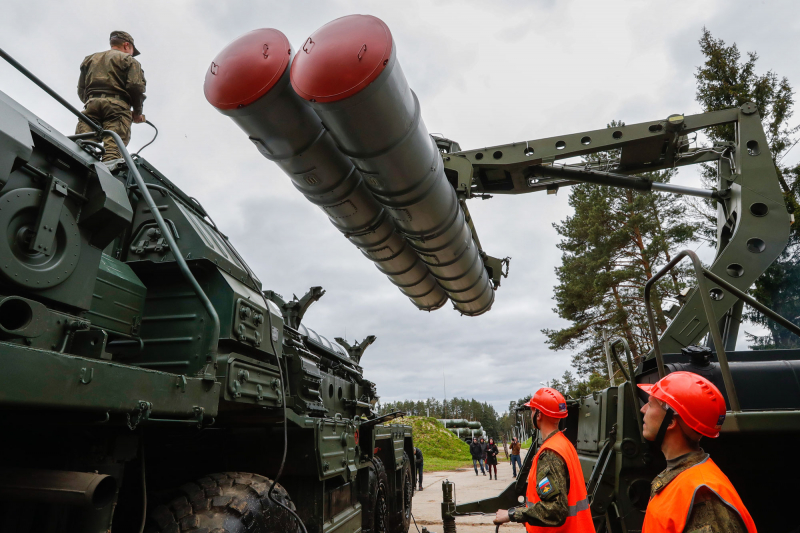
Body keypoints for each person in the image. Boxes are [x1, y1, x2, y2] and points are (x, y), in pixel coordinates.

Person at [638, 371, 756, 533]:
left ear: (671, 420)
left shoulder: (704, 498)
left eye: (651, 404)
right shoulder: (680, 476)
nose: (643, 409)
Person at [494, 387, 592, 532]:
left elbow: (555, 509)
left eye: (532, 410)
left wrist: (512, 514)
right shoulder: (564, 444)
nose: (531, 414)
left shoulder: (550, 453)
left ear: (539, 414)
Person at [76, 31, 147, 162]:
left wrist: (93, 101)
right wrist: (137, 112)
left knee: (83, 146)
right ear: (126, 45)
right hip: (117, 108)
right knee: (112, 152)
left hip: (91, 105)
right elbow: (135, 86)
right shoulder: (129, 60)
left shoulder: (90, 59)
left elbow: (81, 89)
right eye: (132, 50)